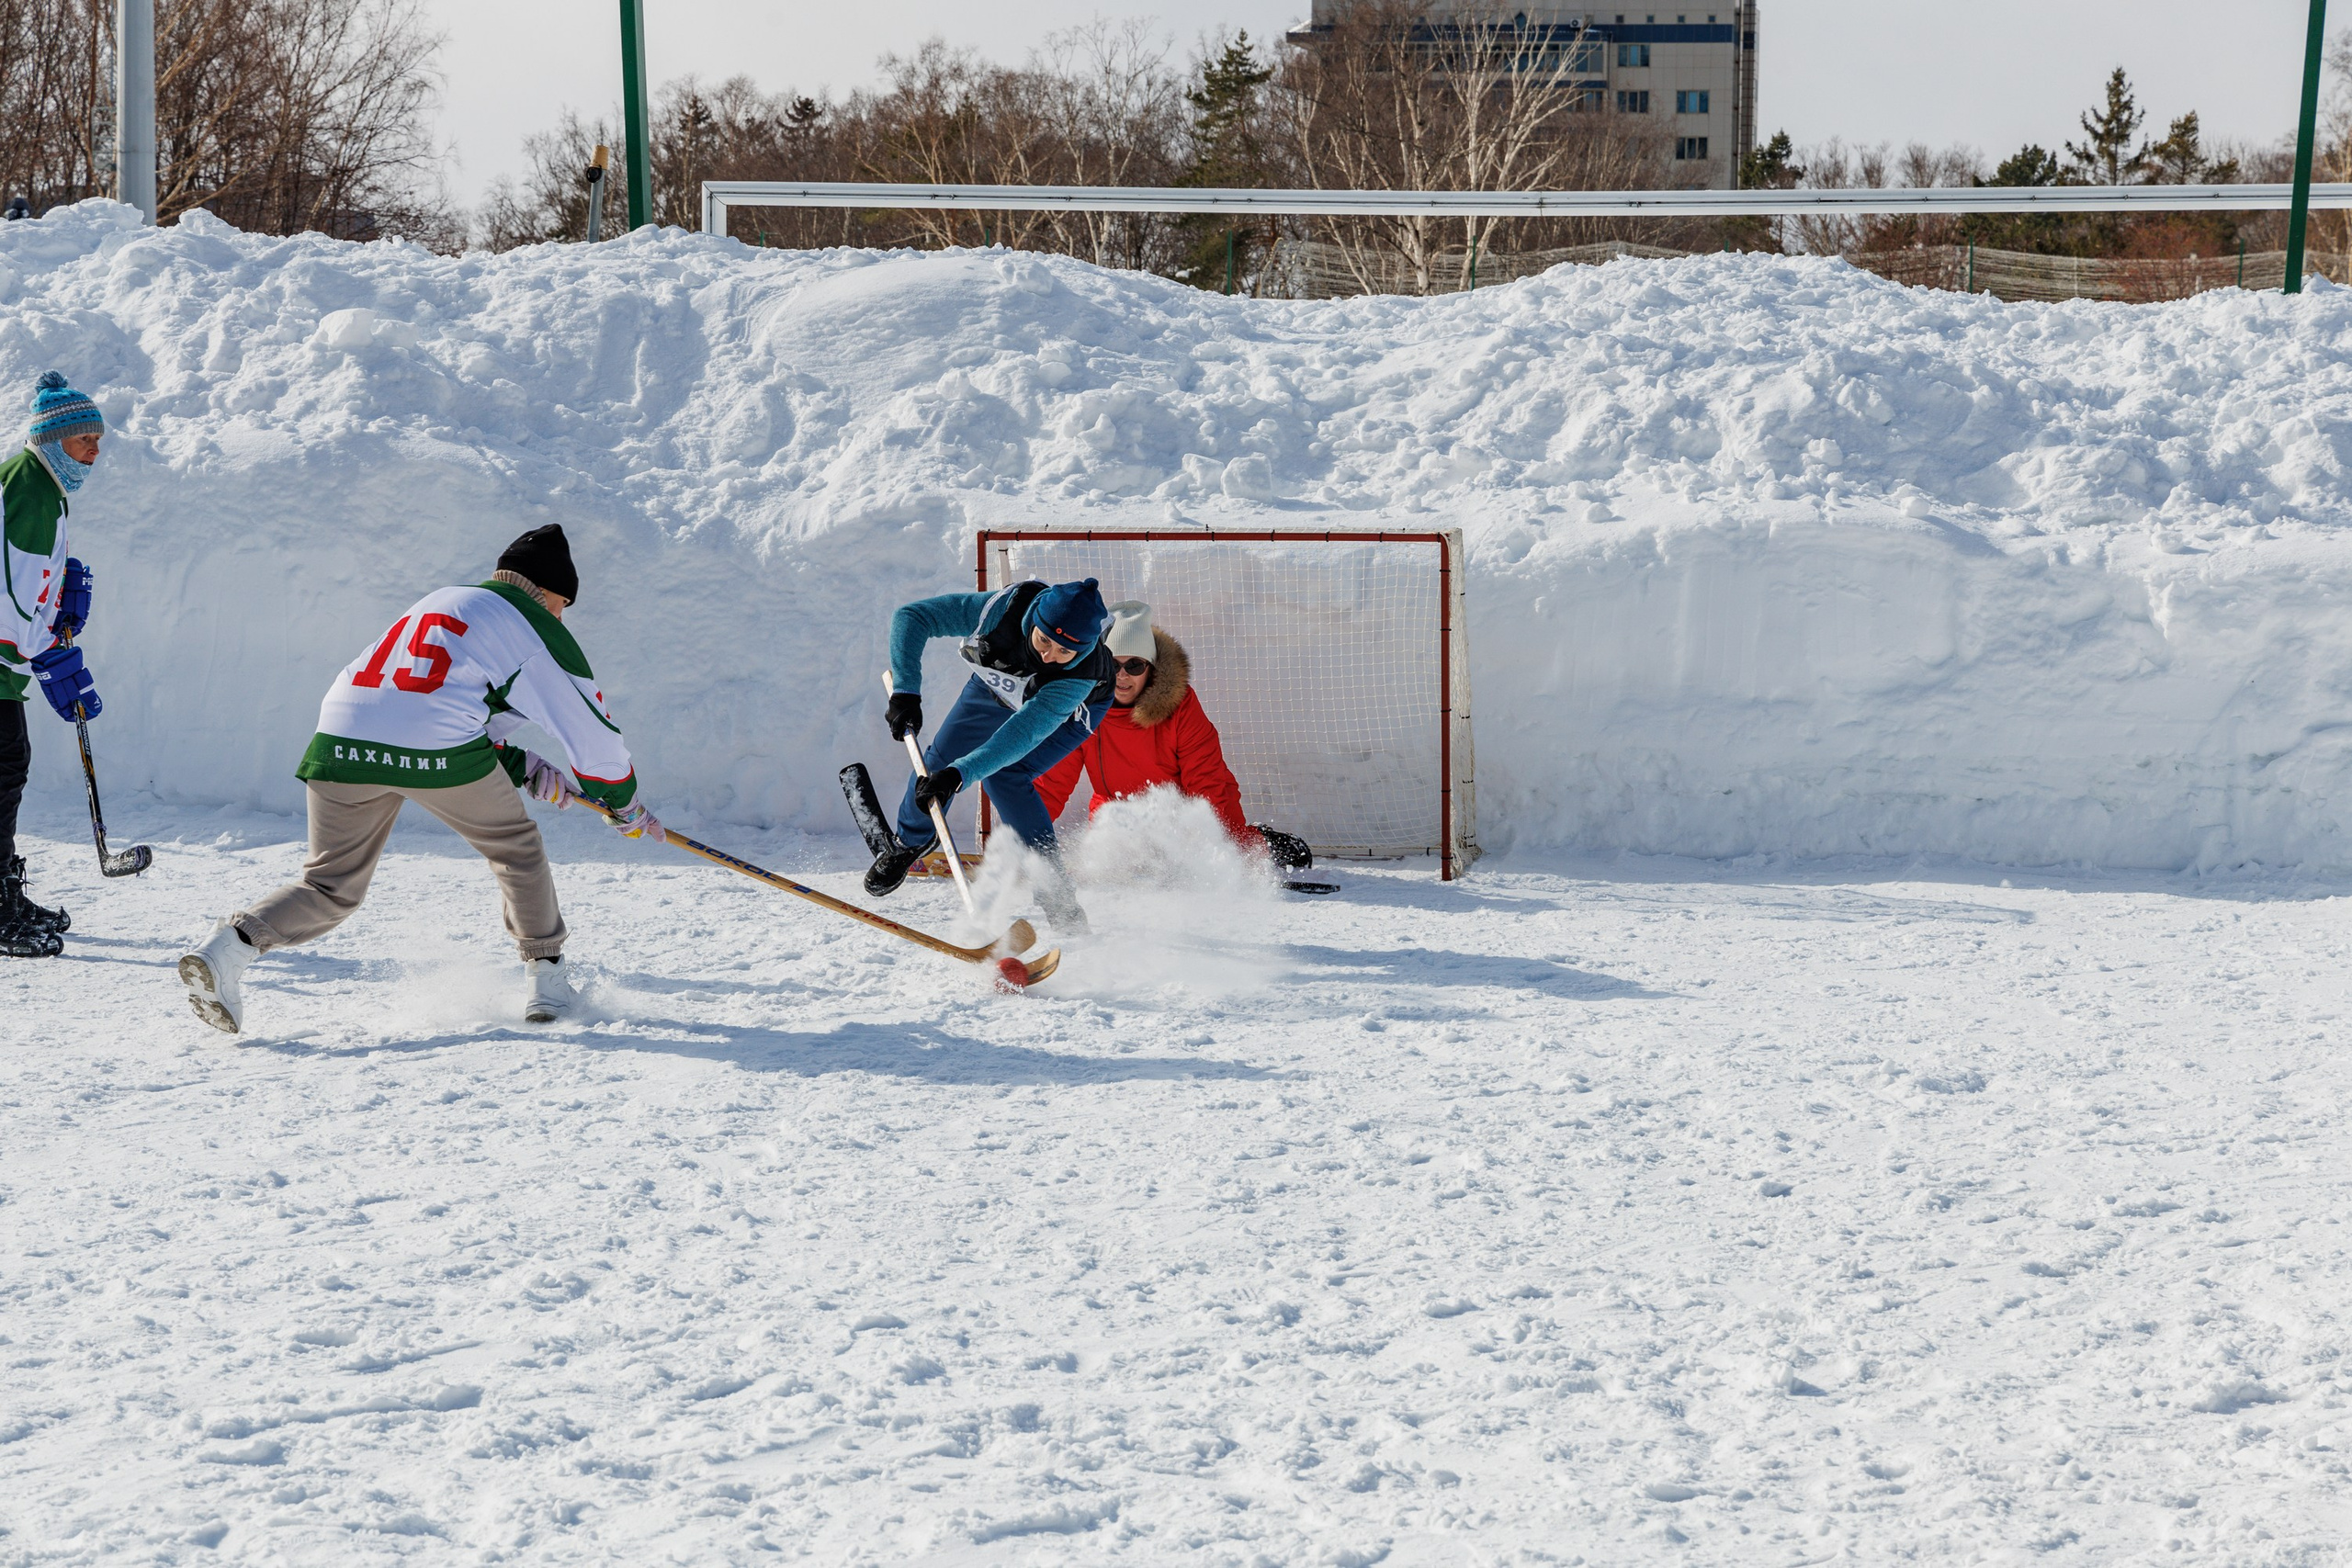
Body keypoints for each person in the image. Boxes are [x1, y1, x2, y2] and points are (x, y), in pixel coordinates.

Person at [176, 525, 663, 1033]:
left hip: (340, 737)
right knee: (514, 847)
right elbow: (592, 733)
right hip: (435, 748)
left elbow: (431, 697)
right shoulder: (535, 623)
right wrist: (621, 804)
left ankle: (228, 948)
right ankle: (547, 982)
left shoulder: (445, 602)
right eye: (564, 604)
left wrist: (520, 766)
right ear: (548, 592)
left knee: (329, 883)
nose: (563, 617)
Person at [866, 575, 1114, 931]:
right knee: (937, 762)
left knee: (1005, 775)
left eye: (1065, 652)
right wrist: (906, 691)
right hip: (998, 685)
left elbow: (1023, 734)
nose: (1049, 656)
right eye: (1044, 640)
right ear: (1034, 619)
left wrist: (960, 775)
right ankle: (909, 842)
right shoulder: (1000, 612)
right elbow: (913, 616)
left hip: (1067, 714)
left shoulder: (1077, 678)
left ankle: (1055, 893)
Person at [1034, 601, 1312, 874]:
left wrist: (1215, 854)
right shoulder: (1082, 708)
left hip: (1187, 818)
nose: (1122, 676)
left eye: (1134, 665)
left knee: (1233, 855)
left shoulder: (1180, 705)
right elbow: (1051, 783)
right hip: (1117, 822)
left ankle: (1264, 841)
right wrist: (1021, 840)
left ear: (1151, 667)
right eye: (1113, 664)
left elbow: (1206, 781)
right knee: (1119, 868)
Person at [0, 371, 108, 959]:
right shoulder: (31, 488)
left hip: (4, 661)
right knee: (3, 770)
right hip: (3, 655)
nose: (94, 451)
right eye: (83, 439)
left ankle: (2, 893)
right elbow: (11, 591)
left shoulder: (42, 486)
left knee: (7, 768)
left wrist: (60, 589)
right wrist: (47, 652)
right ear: (49, 439)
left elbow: (28, 577)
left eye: (98, 439)